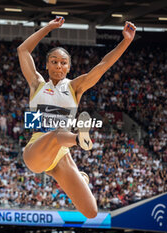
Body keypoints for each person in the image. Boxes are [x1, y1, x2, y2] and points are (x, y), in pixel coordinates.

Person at [17, 16, 136, 218]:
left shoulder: (74, 87)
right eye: (54, 62)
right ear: (46, 65)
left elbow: (103, 65)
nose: (58, 66)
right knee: (57, 133)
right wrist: (49, 27)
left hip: (61, 156)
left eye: (63, 63)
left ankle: (78, 147)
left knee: (91, 211)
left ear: (69, 68)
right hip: (37, 150)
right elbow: (23, 50)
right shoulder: (37, 84)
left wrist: (125, 41)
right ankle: (79, 138)